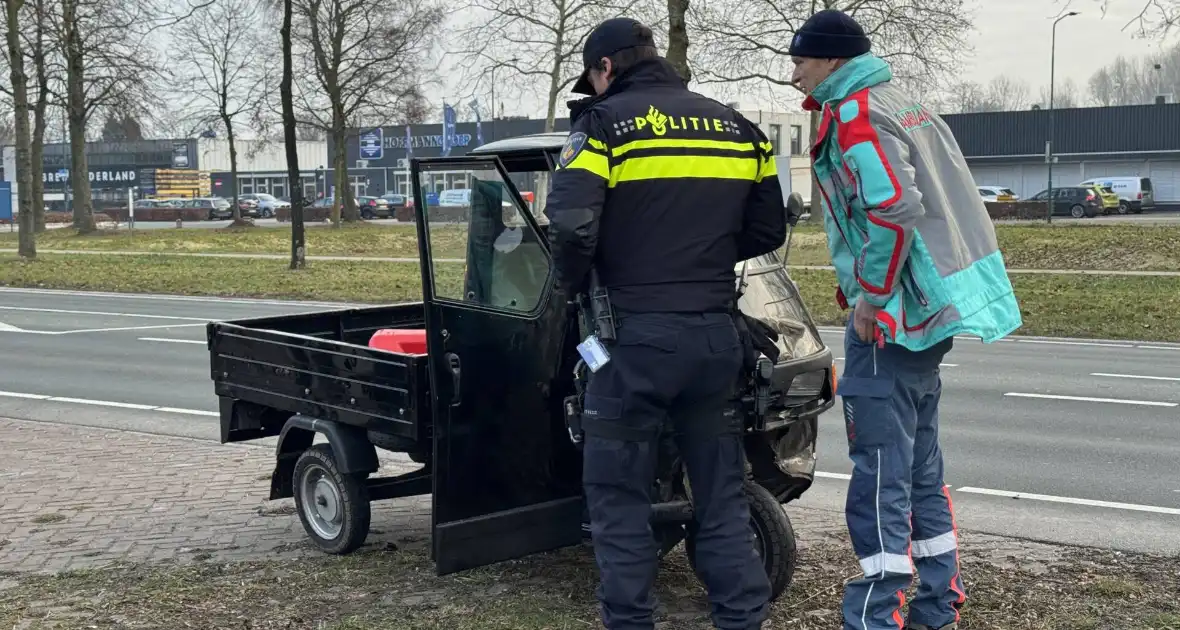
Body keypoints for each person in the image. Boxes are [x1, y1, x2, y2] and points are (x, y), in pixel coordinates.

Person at [543, 16, 787, 630]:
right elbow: (768, 229)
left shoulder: (600, 127)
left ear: (605, 69)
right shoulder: (736, 126)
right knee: (722, 500)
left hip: (633, 343)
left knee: (620, 504)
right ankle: (741, 620)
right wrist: (695, 260)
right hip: (714, 337)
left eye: (592, 78)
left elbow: (572, 228)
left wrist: (574, 289)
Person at [787, 9, 1023, 630]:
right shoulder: (903, 101)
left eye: (802, 61)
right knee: (921, 467)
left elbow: (894, 209)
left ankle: (874, 612)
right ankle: (938, 602)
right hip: (932, 311)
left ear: (833, 60)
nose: (794, 74)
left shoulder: (858, 116)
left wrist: (870, 295)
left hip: (892, 316)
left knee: (880, 470)